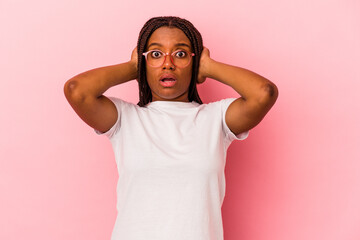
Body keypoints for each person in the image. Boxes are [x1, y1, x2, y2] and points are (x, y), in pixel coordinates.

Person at [63, 16, 278, 240]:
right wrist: (133, 67)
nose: (168, 63)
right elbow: (77, 90)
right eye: (155, 54)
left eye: (181, 54)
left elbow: (264, 93)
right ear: (143, 61)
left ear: (194, 63)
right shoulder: (125, 120)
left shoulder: (217, 119)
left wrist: (208, 67)